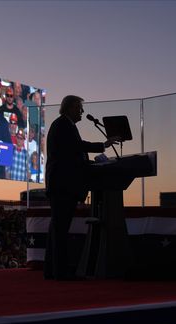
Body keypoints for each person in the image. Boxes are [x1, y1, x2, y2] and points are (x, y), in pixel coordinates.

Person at [44, 95, 119, 280]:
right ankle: (59, 272)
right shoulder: (62, 125)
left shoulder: (66, 125)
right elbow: (76, 147)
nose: (82, 112)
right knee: (60, 229)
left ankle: (54, 270)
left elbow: (74, 151)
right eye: (79, 108)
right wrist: (103, 145)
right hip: (62, 186)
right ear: (69, 108)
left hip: (63, 186)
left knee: (58, 229)